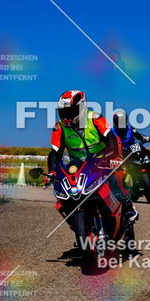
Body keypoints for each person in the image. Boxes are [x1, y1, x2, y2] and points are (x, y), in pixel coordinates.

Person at [46, 90, 138, 221]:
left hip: (103, 160)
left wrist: (115, 158)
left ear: (81, 108)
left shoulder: (95, 118)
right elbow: (55, 153)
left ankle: (128, 206)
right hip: (78, 165)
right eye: (63, 112)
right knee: (65, 192)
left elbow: (112, 139)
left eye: (70, 112)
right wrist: (52, 172)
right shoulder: (59, 127)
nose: (66, 117)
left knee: (120, 176)